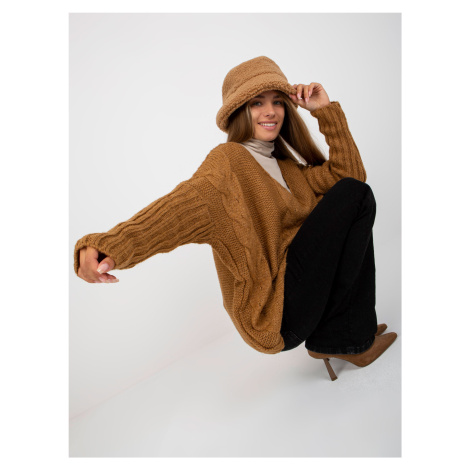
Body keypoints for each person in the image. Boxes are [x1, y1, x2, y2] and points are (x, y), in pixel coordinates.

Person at [74, 56, 397, 380]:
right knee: (353, 195)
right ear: (238, 111)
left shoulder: (288, 169)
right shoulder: (227, 165)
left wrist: (324, 111)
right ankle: (348, 337)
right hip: (274, 315)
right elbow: (174, 211)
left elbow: (351, 177)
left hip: (300, 297)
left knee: (353, 196)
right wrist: (107, 247)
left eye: (277, 101)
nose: (270, 111)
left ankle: (345, 331)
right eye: (257, 103)